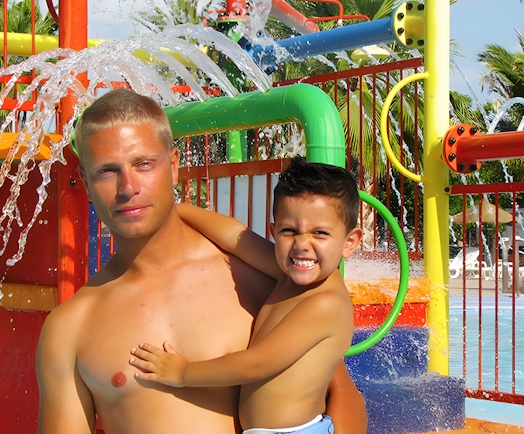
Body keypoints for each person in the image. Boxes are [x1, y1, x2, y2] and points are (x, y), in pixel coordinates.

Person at [35, 89, 368, 434]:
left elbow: (340, 394)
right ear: (87, 185)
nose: (128, 187)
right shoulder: (70, 329)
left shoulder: (266, 279)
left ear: (174, 165)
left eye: (144, 164)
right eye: (106, 171)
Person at [128, 157, 363, 434]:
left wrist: (182, 373)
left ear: (349, 242)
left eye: (320, 233)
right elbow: (233, 235)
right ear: (275, 231)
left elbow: (257, 364)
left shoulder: (325, 303)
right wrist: (173, 210)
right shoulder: (288, 272)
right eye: (289, 231)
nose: (302, 244)